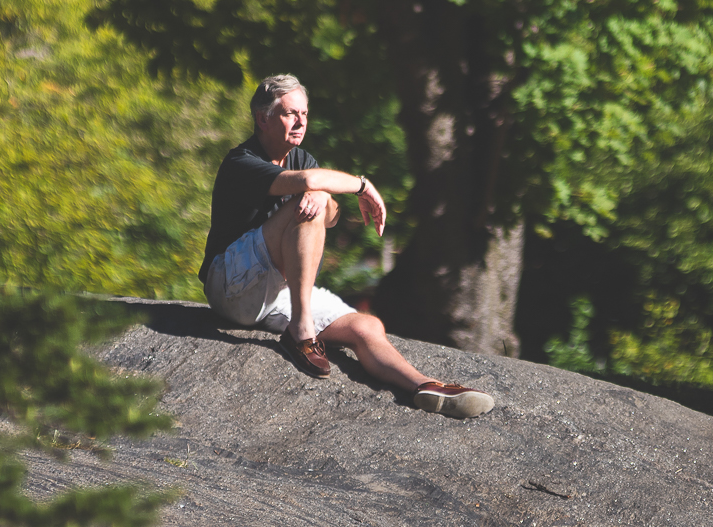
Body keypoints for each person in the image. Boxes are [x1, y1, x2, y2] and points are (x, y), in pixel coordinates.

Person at [198, 74, 495, 418]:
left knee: (366, 326)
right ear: (262, 119)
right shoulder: (241, 162)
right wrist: (361, 186)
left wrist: (324, 197)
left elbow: (332, 215)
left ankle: (424, 386)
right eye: (290, 114)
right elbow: (309, 182)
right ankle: (301, 332)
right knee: (307, 205)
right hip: (229, 285)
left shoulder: (300, 157)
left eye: (305, 114)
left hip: (276, 292)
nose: (301, 122)